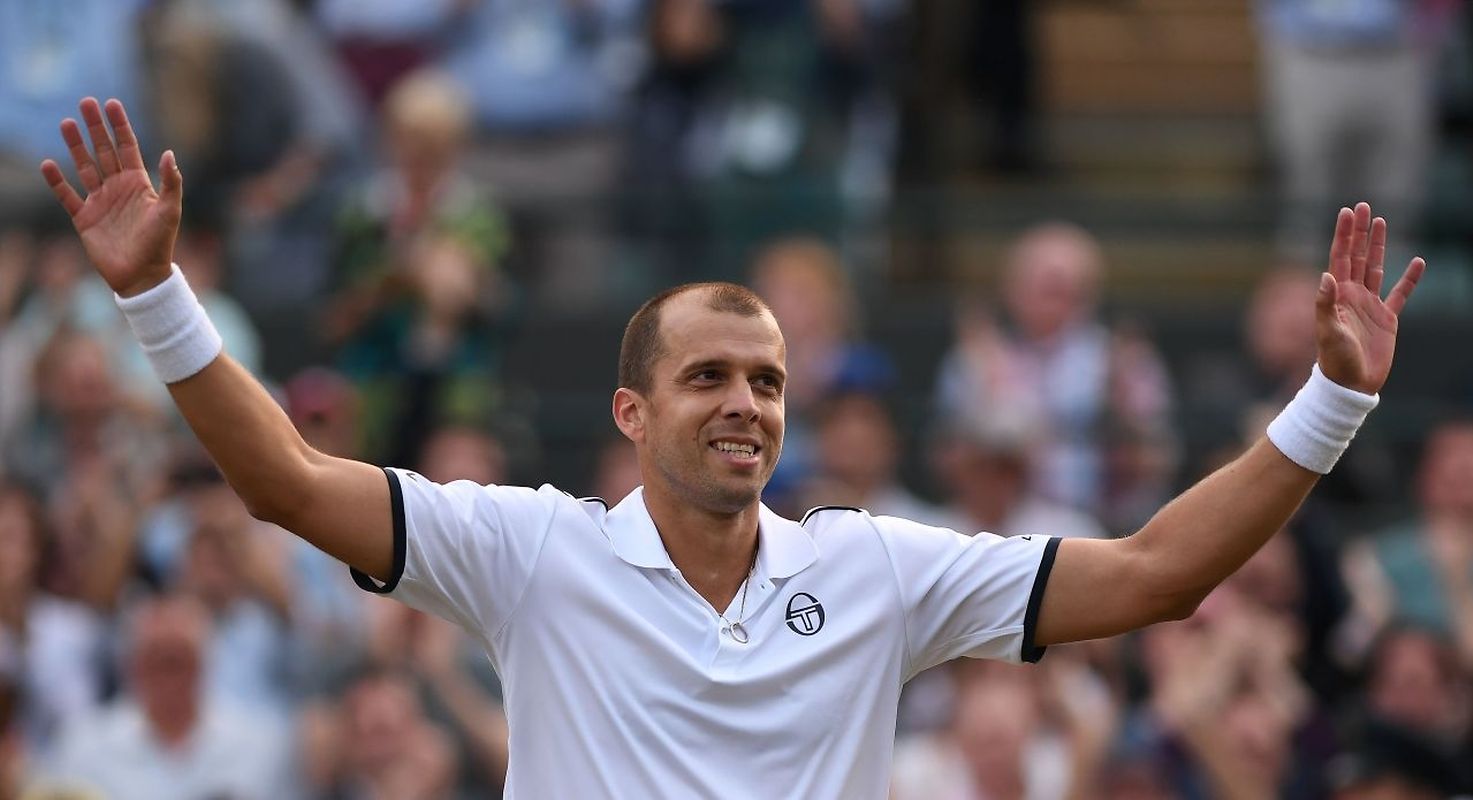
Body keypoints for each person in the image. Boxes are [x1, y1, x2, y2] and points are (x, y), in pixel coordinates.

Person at [39, 97, 1426, 797]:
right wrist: (156, 296)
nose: (746, 402)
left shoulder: (878, 567)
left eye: (765, 379)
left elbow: (1151, 575)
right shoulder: (528, 550)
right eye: (706, 376)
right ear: (631, 412)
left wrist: (1332, 401)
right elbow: (283, 480)